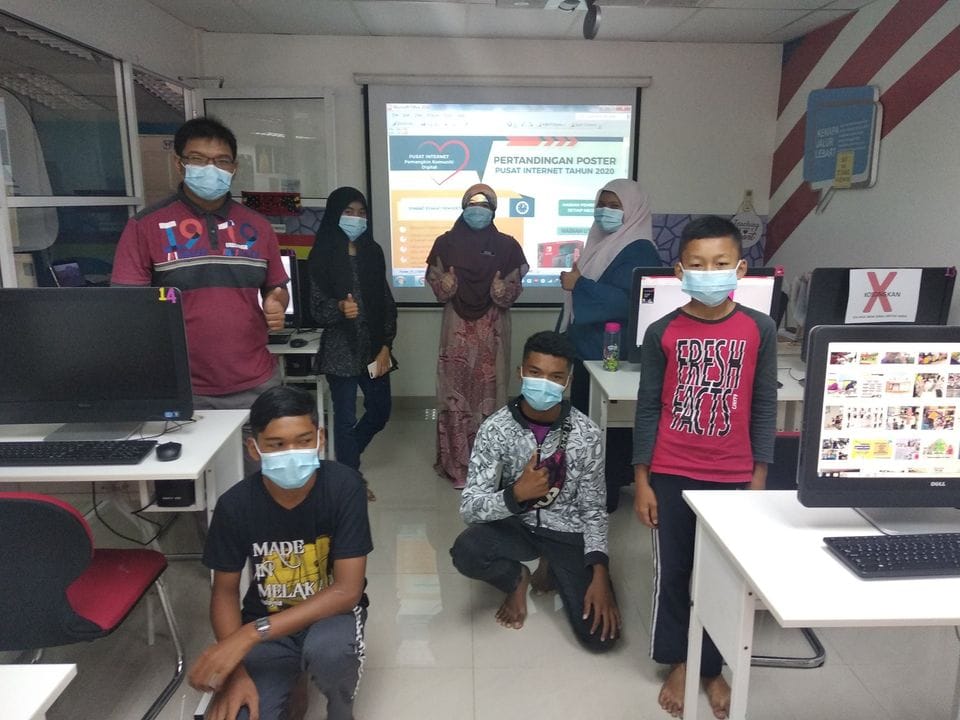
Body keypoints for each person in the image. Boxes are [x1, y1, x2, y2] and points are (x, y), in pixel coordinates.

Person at [631, 216, 777, 719]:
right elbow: (647, 408)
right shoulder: (662, 331)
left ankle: (710, 666)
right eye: (697, 264)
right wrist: (642, 479)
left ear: (740, 269)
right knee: (674, 572)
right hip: (671, 472)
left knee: (724, 579)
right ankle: (679, 659)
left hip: (733, 476)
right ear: (679, 271)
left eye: (720, 263)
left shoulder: (759, 329)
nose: (708, 272)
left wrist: (758, 477)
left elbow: (763, 405)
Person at [188, 385, 372, 720]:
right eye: (276, 444)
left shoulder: (344, 487)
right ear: (254, 448)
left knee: (332, 654)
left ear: (320, 439)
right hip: (268, 620)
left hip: (329, 616)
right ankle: (291, 676)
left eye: (304, 440)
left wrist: (249, 635)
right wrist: (236, 673)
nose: (292, 453)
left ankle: (341, 711)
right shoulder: (234, 505)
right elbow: (224, 591)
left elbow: (347, 591)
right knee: (243, 711)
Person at [450, 331, 621, 651]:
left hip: (567, 531)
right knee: (467, 551)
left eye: (555, 377)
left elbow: (594, 508)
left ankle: (552, 563)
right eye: (535, 373)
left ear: (568, 381)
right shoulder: (496, 428)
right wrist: (515, 494)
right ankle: (516, 579)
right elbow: (470, 507)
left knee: (600, 638)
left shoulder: (586, 433)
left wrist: (600, 572)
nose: (544, 384)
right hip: (519, 525)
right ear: (521, 373)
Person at [558, 178, 662, 512]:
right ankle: (586, 482)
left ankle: (607, 489)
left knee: (609, 424)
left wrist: (579, 285)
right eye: (601, 204)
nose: (605, 211)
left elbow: (628, 302)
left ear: (633, 210)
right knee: (586, 419)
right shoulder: (600, 241)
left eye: (615, 206)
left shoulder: (639, 249)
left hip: (612, 354)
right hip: (588, 348)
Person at [426, 183, 528, 488]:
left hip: (492, 333)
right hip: (456, 333)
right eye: (473, 204)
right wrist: (444, 285)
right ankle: (457, 465)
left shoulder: (507, 246)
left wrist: (503, 290)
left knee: (490, 396)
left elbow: (513, 289)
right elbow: (436, 287)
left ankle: (488, 467)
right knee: (455, 396)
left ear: (494, 210)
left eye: (485, 205)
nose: (478, 210)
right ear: (463, 206)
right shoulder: (445, 244)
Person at [308, 186, 397, 500]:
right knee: (344, 418)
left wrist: (386, 345)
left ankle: (343, 462)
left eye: (362, 213)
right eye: (349, 212)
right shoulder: (322, 254)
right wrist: (339, 308)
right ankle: (349, 476)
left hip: (373, 347)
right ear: (335, 214)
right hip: (341, 349)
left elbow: (386, 303)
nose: (356, 218)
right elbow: (316, 308)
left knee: (380, 411)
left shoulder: (373, 251)